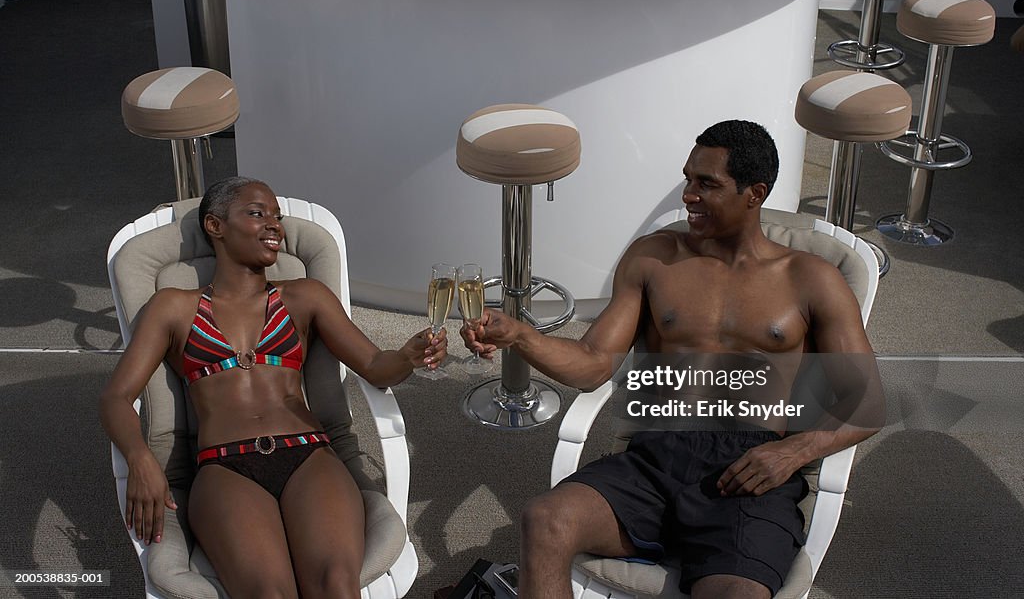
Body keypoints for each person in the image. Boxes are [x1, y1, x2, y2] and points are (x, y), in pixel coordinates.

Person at [461, 120, 883, 599]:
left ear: (754, 193)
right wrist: (521, 336)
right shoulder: (654, 258)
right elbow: (594, 363)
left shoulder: (811, 278)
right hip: (654, 457)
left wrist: (794, 452)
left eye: (707, 184)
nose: (688, 195)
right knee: (545, 520)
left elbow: (866, 401)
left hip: (747, 470)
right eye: (688, 179)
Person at [100, 176, 448, 598]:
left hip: (309, 456)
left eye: (277, 218)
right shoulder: (174, 306)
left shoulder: (306, 297)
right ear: (215, 226)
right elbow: (117, 397)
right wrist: (140, 459)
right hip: (224, 468)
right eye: (256, 213)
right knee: (269, 594)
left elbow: (376, 366)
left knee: (336, 586)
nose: (274, 226)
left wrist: (407, 357)